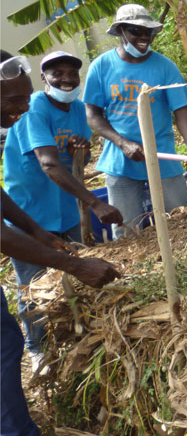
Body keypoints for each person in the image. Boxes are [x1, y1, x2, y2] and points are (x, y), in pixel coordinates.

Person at [1, 52, 119, 436]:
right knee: (19, 316)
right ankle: (18, 421)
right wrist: (77, 264)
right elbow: (49, 165)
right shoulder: (36, 112)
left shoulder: (71, 107)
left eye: (25, 98)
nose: (22, 108)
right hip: (34, 204)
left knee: (11, 335)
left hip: (49, 214)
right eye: (13, 101)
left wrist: (36, 231)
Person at [83, 4, 187, 238]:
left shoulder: (164, 66)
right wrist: (122, 143)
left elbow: (181, 109)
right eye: (136, 31)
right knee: (126, 231)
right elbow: (93, 115)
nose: (144, 37)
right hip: (120, 162)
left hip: (162, 156)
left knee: (182, 221)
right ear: (121, 32)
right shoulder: (101, 67)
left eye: (148, 31)